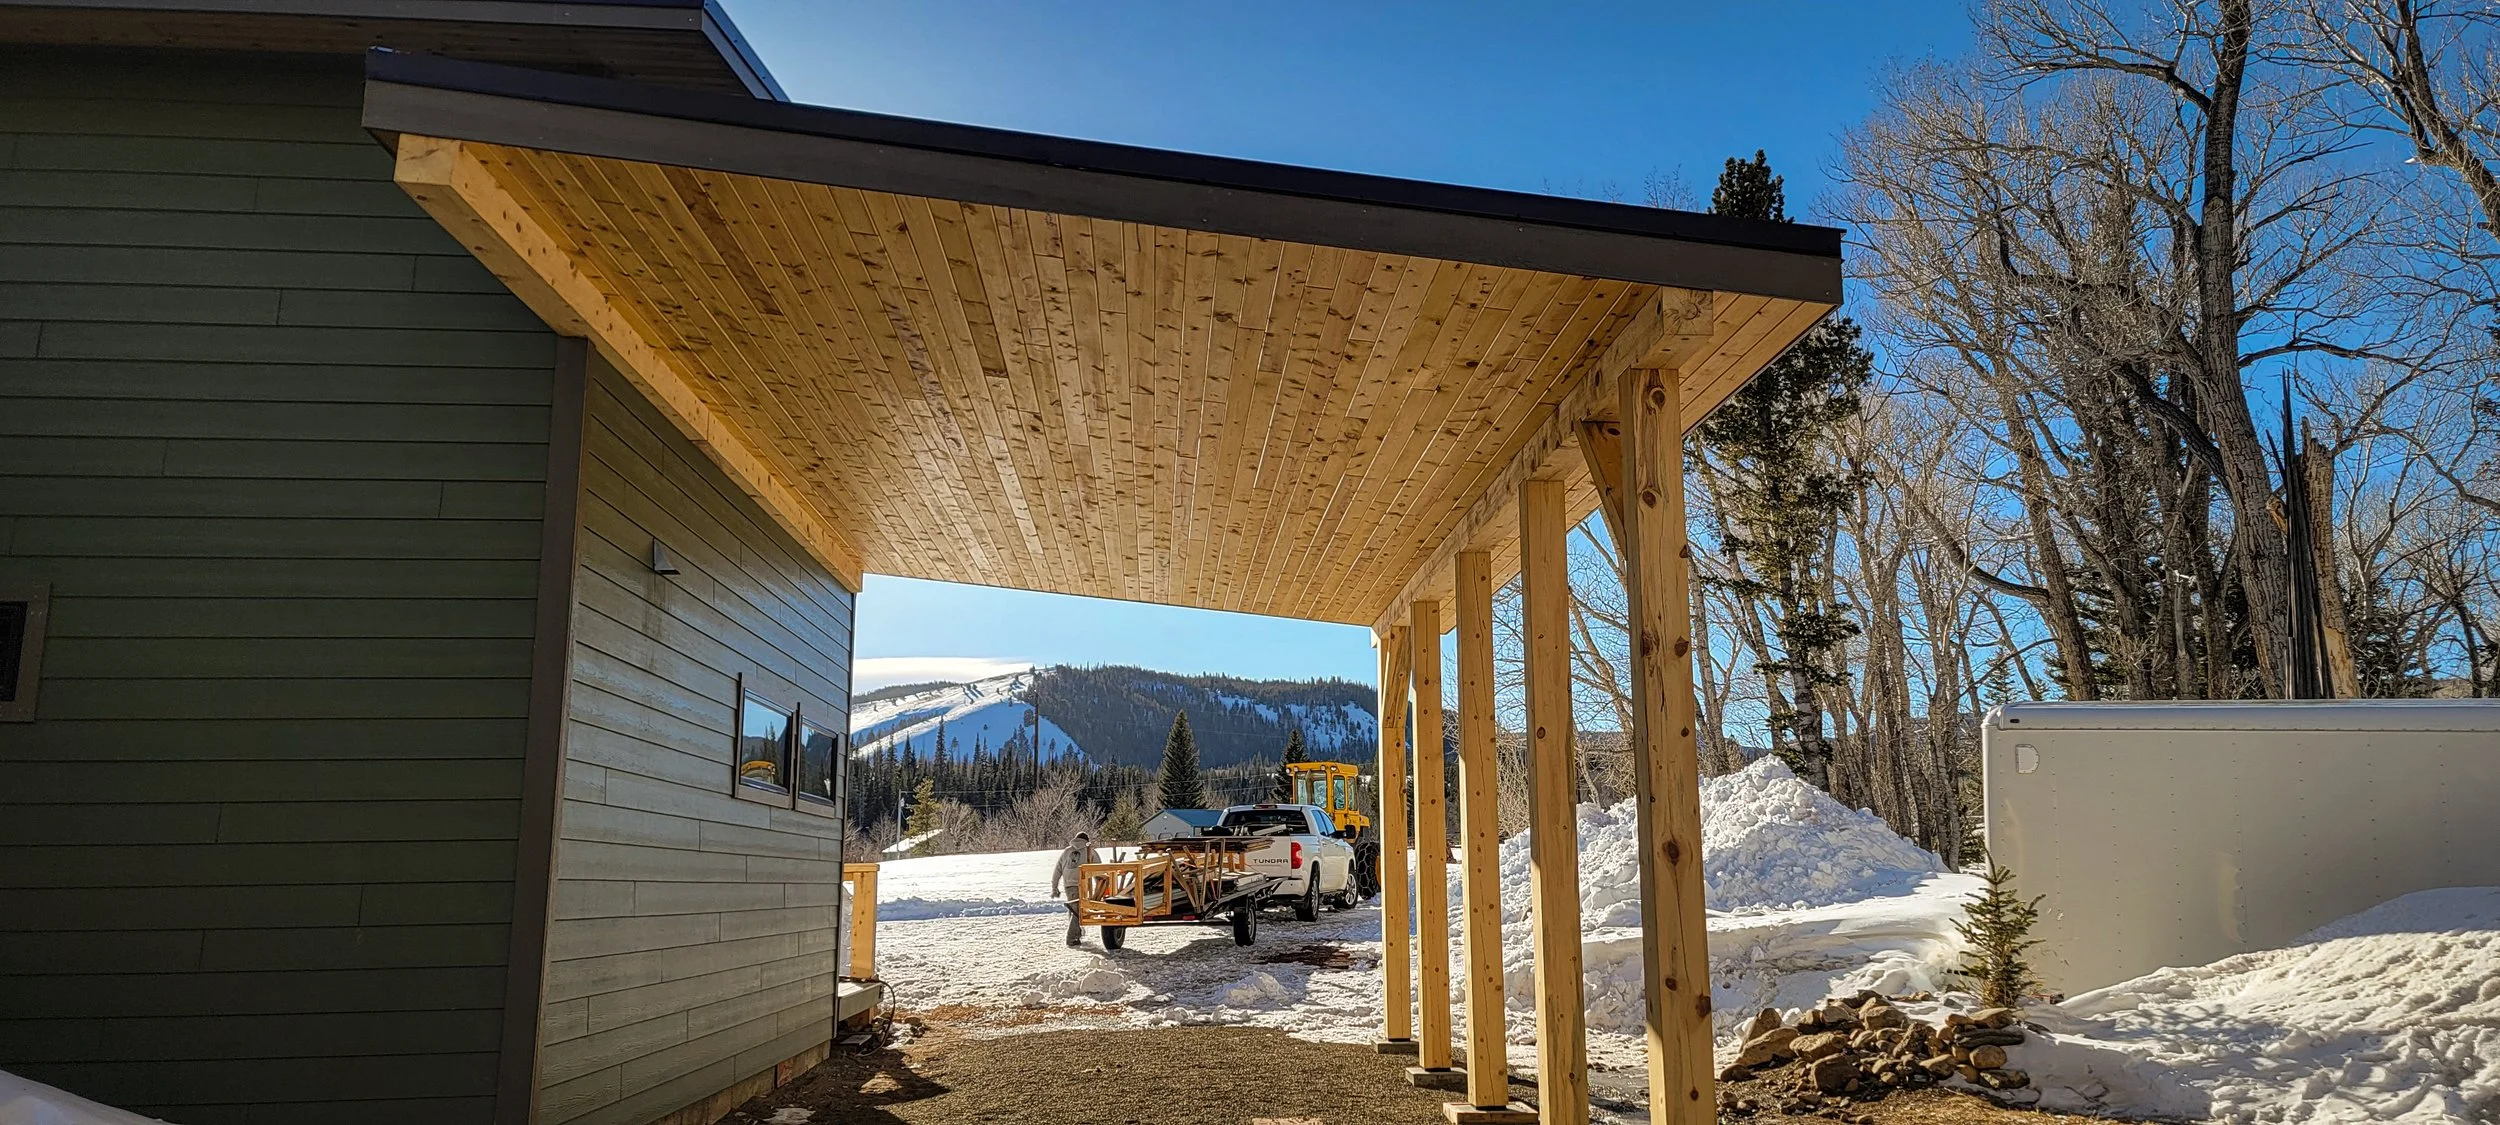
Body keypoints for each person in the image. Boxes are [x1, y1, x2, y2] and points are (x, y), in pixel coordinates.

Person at [1049, 830, 1098, 946]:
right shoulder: (1089, 851)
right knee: (1078, 912)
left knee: (1073, 909)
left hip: (1068, 885)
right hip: (1081, 884)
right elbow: (1098, 869)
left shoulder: (1066, 851)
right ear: (1087, 841)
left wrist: (1054, 887)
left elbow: (1057, 870)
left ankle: (1077, 934)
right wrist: (1102, 884)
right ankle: (1071, 938)